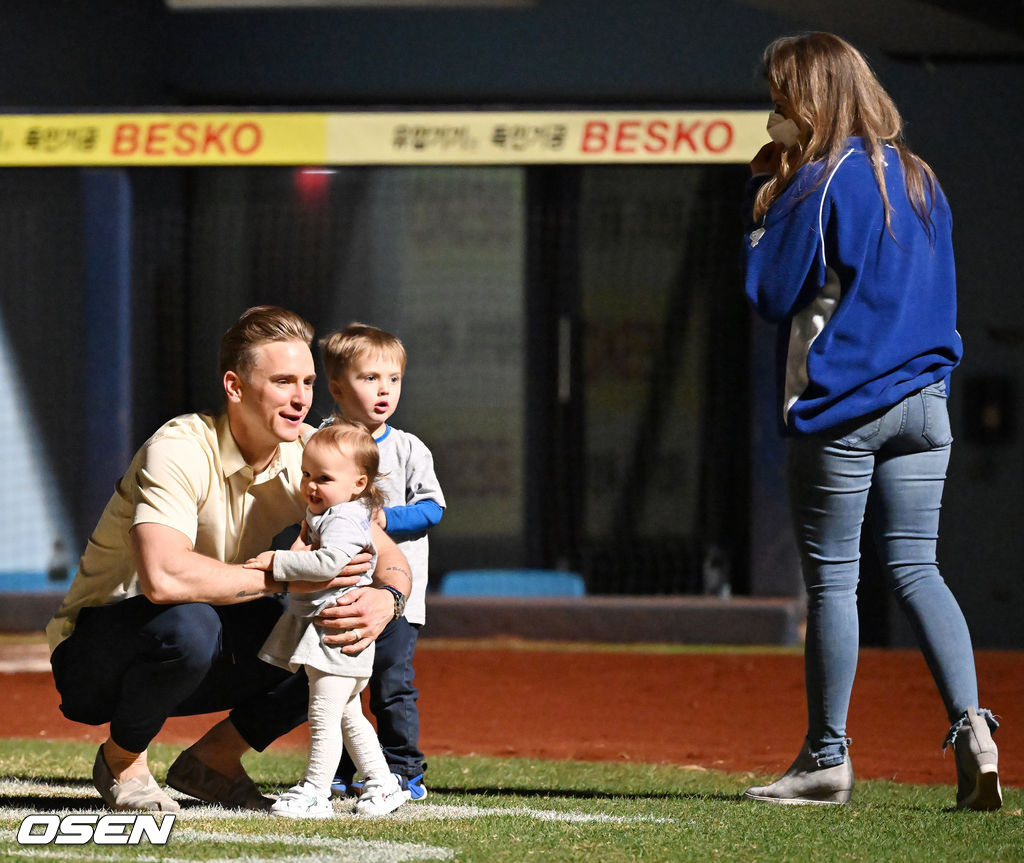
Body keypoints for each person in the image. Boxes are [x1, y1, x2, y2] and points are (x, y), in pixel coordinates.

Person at [740, 33, 1001, 810]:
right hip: (927, 403)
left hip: (844, 406)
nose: (773, 109)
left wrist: (765, 196)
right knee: (919, 567)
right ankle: (975, 728)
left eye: (779, 95)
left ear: (805, 99)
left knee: (833, 582)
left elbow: (769, 294)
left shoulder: (816, 179)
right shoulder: (921, 176)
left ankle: (826, 757)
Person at [46, 305, 411, 813]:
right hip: (101, 654)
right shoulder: (179, 447)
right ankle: (122, 760)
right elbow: (164, 579)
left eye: (307, 380)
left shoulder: (311, 455)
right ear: (235, 387)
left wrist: (386, 598)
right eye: (283, 381)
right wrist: (284, 578)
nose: (301, 397)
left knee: (354, 618)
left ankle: (214, 759)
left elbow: (389, 558)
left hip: (206, 637)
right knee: (189, 624)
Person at [244, 420, 410, 818]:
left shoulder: (343, 518)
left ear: (358, 483)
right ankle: (384, 784)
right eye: (306, 474)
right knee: (349, 715)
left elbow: (330, 564)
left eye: (323, 478)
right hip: (332, 631)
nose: (310, 485)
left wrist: (277, 561)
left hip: (337, 632)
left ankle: (316, 790)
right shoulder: (332, 512)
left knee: (323, 714)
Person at [319, 323, 445, 801]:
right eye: (370, 378)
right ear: (336, 388)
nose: (384, 390)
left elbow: (432, 509)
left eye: (393, 379)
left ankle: (401, 770)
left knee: (391, 686)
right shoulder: (321, 442)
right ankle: (337, 770)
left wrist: (380, 517)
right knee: (337, 688)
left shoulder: (409, 448)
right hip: (337, 593)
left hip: (394, 600)